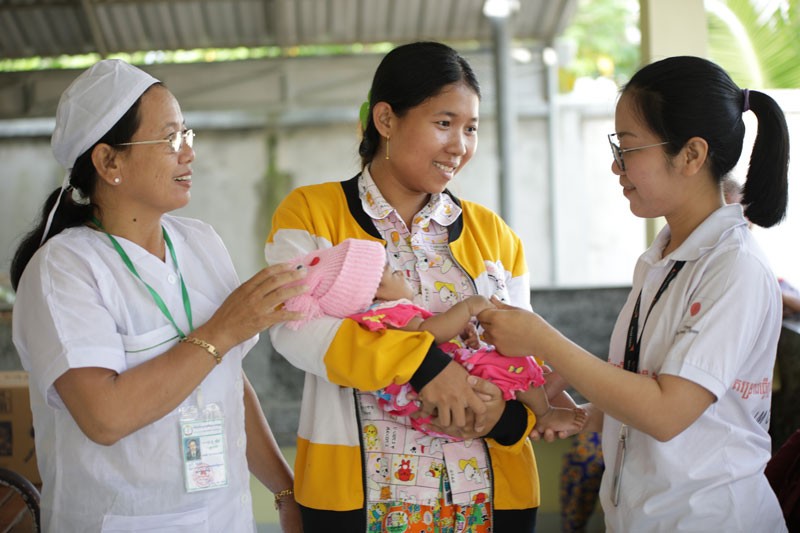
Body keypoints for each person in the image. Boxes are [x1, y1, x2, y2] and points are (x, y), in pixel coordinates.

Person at [478, 56, 789, 531]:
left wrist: (540, 338)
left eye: (629, 148)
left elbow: (668, 411)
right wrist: (589, 416)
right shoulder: (663, 257)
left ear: (691, 155)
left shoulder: (734, 268)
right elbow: (652, 379)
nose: (616, 165)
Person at [265, 41, 558, 532]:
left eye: (471, 129)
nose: (459, 146)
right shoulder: (312, 213)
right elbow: (294, 329)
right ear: (385, 119)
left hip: (488, 499)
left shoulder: (495, 235)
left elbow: (522, 354)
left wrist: (503, 419)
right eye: (443, 123)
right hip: (358, 502)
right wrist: (423, 365)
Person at [10, 59, 306, 532]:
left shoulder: (200, 242)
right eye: (170, 138)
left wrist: (286, 491)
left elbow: (228, 382)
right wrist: (222, 329)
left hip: (225, 519)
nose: (188, 153)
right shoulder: (64, 268)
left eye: (187, 135)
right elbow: (104, 417)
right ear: (109, 162)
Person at [281, 238, 586, 438]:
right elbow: (428, 335)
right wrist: (468, 307)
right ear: (373, 292)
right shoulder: (390, 312)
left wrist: (463, 332)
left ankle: (546, 387)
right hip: (452, 390)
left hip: (439, 404)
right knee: (515, 363)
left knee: (513, 364)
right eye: (388, 271)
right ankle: (544, 410)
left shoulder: (380, 316)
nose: (399, 272)